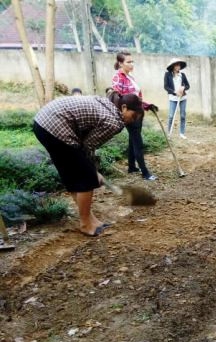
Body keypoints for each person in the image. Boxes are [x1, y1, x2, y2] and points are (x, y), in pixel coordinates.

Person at [32, 93, 145, 237]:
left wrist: (91, 167)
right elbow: (87, 146)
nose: (133, 121)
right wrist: (92, 170)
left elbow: (84, 144)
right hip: (56, 127)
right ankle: (86, 224)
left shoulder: (107, 104)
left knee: (74, 177)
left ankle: (91, 220)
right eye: (133, 116)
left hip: (43, 122)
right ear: (124, 107)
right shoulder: (113, 122)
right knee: (86, 180)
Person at [112, 51, 158, 180]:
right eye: (128, 62)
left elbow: (136, 97)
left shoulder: (130, 76)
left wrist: (146, 105)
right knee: (138, 142)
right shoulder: (118, 77)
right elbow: (118, 98)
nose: (132, 64)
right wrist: (125, 113)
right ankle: (145, 173)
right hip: (130, 115)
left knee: (132, 140)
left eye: (132, 61)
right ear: (121, 63)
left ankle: (132, 167)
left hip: (138, 113)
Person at [164, 58, 190, 139]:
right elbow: (166, 87)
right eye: (176, 65)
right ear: (173, 66)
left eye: (179, 65)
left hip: (182, 98)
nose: (178, 66)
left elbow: (188, 86)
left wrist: (183, 88)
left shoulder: (182, 75)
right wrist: (175, 92)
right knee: (171, 116)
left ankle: (182, 133)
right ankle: (169, 133)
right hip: (173, 98)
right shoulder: (167, 75)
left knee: (182, 115)